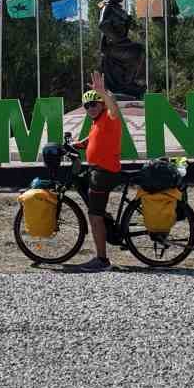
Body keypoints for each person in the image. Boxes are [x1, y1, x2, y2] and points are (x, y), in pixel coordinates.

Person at [71, 70, 122, 272]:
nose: (90, 108)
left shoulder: (110, 118)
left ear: (102, 104)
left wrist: (103, 93)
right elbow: (92, 140)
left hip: (104, 173)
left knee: (94, 215)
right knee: (93, 203)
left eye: (94, 104)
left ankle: (102, 260)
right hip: (98, 171)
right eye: (87, 106)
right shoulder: (97, 123)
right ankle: (105, 220)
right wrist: (75, 145)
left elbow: (115, 109)